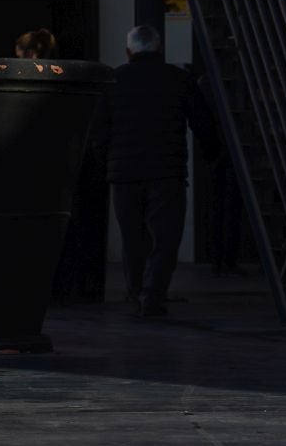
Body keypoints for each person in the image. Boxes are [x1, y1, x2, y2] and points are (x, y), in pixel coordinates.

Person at [85, 25, 221, 318]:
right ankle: (152, 294)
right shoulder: (179, 79)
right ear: (160, 50)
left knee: (133, 238)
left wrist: (104, 165)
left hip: (123, 174)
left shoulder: (112, 81)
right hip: (166, 171)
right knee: (165, 238)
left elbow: (98, 132)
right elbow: (204, 125)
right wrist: (213, 155)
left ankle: (135, 291)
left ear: (128, 51)